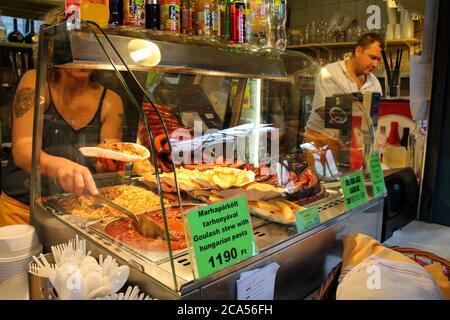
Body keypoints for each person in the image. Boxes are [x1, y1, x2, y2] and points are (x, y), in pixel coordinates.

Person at [0, 8, 125, 226]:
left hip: (77, 212)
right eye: (73, 45)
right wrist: (60, 167)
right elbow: (22, 150)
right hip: (21, 210)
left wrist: (111, 164)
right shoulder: (35, 82)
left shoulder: (111, 101)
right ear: (53, 48)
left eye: (89, 46)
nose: (82, 54)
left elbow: (105, 161)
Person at [304, 33, 384, 178]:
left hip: (353, 146)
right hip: (323, 142)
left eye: (379, 60)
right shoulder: (331, 72)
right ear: (358, 51)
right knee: (322, 188)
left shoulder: (374, 83)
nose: (375, 64)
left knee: (347, 192)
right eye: (372, 57)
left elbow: (373, 118)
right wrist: (360, 112)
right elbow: (324, 111)